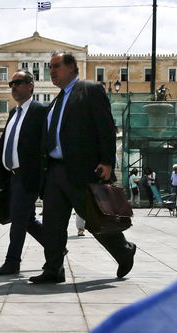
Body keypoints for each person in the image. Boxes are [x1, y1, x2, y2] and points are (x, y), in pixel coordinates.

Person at [30, 51, 136, 284]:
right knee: (52, 222)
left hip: (83, 169)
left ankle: (124, 250)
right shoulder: (56, 101)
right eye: (50, 67)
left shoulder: (89, 90)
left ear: (71, 67)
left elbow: (106, 127)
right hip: (55, 170)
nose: (52, 71)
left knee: (95, 218)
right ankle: (53, 268)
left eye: (56, 66)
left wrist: (107, 161)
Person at [0, 69, 48, 275]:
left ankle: (12, 261)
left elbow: (45, 144)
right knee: (27, 219)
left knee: (18, 218)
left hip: (29, 175)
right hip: (12, 176)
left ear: (30, 85)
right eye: (11, 84)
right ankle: (56, 247)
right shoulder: (13, 113)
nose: (13, 87)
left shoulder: (40, 110)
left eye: (18, 82)